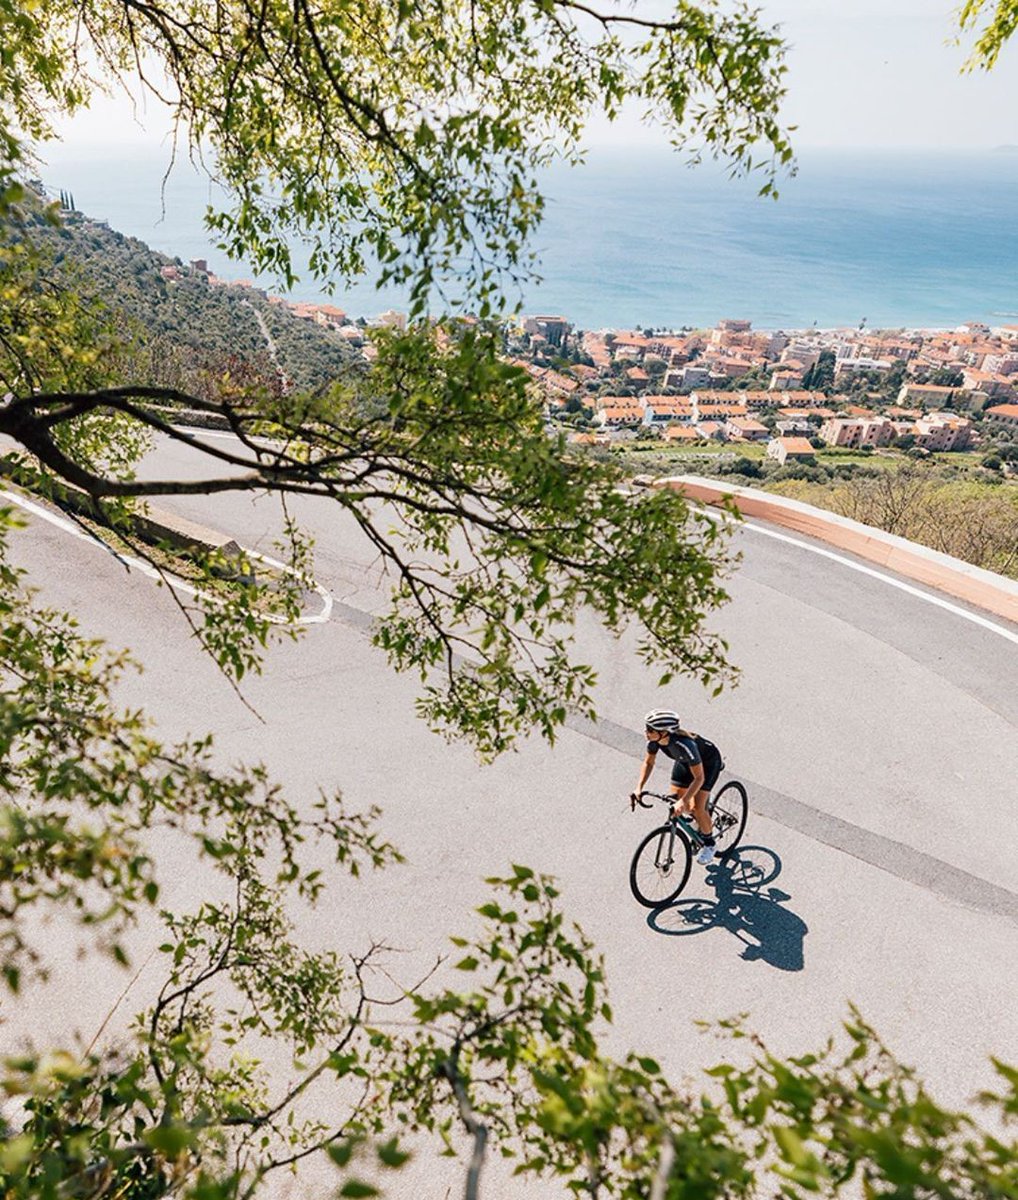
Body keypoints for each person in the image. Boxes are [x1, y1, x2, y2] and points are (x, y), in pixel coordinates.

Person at [630, 709, 724, 865]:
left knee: (698, 808)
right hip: (685, 762)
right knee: (676, 800)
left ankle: (710, 845)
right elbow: (648, 762)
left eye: (650, 729)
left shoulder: (685, 744)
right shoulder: (654, 741)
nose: (646, 732)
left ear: (664, 733)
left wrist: (685, 800)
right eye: (647, 727)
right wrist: (638, 787)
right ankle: (698, 819)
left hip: (707, 764)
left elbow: (699, 777)